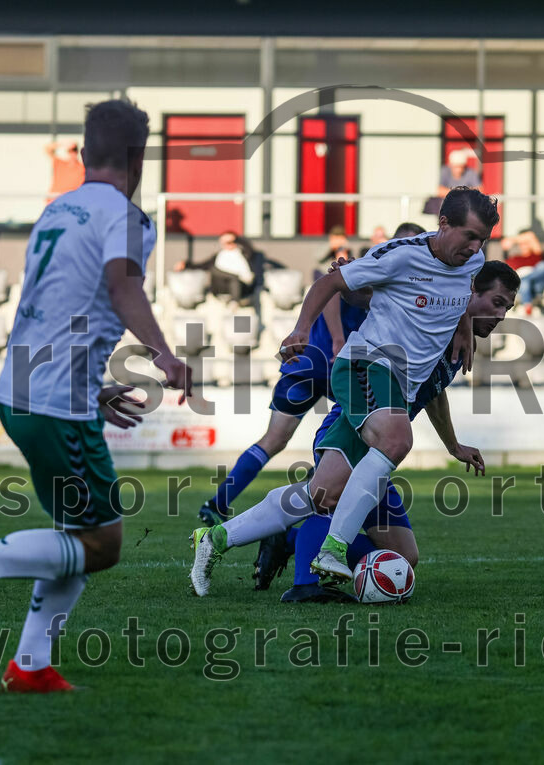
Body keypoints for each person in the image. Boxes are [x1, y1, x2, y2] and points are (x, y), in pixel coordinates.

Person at [0, 98, 194, 694]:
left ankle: (30, 664)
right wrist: (164, 353)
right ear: (139, 158)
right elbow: (121, 287)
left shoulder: (56, 210)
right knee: (104, 543)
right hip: (53, 400)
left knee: (79, 535)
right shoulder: (127, 218)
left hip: (27, 389)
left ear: (84, 153)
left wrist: (91, 390)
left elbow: (57, 308)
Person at [189, 187, 499, 593]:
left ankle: (214, 540)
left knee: (320, 494)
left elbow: (463, 288)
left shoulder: (471, 260)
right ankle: (332, 549)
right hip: (363, 366)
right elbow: (328, 284)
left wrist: (462, 326)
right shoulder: (401, 254)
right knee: (396, 438)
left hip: (392, 389)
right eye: (470, 236)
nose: (476, 248)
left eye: (483, 240)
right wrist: (301, 329)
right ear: (443, 224)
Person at [267, 261, 519, 603]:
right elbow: (376, 296)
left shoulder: (457, 339)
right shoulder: (431, 317)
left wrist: (453, 445)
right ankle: (304, 585)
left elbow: (433, 392)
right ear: (471, 291)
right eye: (499, 302)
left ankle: (291, 540)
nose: (502, 314)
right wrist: (352, 280)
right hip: (353, 427)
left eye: (508, 307)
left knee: (405, 557)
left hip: (383, 447)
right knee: (326, 498)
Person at [197, 222, 426, 531]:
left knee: (286, 440)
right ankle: (239, 504)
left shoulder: (405, 280)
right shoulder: (373, 266)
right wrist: (337, 339)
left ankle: (222, 504)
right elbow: (332, 288)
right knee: (336, 438)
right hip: (330, 362)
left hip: (320, 364)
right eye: (403, 243)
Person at [175, 231, 277, 306]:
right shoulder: (219, 257)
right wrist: (185, 265)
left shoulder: (245, 255)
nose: (227, 244)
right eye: (224, 242)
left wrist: (236, 240)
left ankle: (234, 302)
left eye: (230, 242)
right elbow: (202, 266)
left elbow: (250, 249)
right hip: (222, 286)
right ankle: (234, 300)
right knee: (215, 269)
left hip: (242, 287)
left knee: (235, 280)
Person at [501, 229, 544, 315]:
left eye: (527, 243)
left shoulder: (536, 256)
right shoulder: (514, 259)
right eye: (522, 244)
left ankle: (527, 293)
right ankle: (528, 305)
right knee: (522, 282)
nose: (524, 246)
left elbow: (531, 236)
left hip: (538, 285)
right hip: (523, 289)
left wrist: (512, 240)